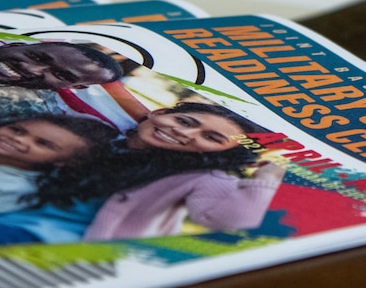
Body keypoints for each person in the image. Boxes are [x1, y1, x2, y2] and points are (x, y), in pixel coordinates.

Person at [83, 102, 287, 240]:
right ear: (159, 113)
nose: (183, 132)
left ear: (226, 152)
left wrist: (267, 179)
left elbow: (233, 221)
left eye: (212, 138)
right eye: (183, 121)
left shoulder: (202, 177)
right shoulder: (93, 133)